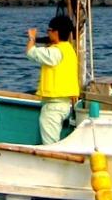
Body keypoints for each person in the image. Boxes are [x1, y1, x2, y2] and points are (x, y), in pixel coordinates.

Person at [26, 13, 79, 144]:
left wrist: (32, 38)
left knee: (50, 143)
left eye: (49, 31)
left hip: (54, 106)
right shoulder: (68, 49)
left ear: (56, 32)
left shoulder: (55, 52)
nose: (48, 33)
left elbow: (31, 52)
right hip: (65, 103)